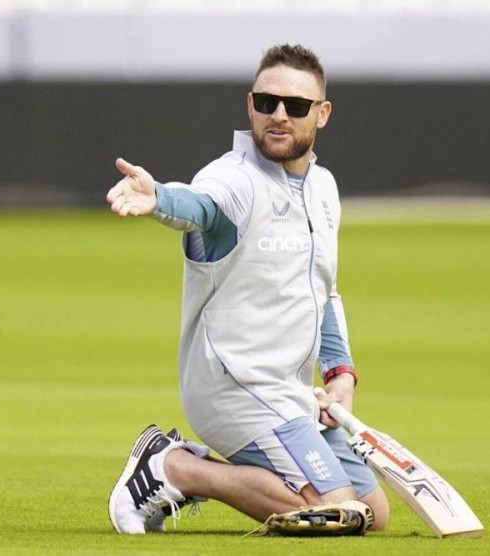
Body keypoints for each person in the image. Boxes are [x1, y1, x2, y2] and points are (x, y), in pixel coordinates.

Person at [105, 43, 389, 535]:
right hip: (232, 385)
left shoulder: (323, 189)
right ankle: (174, 468)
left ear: (321, 115)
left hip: (289, 392)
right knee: (340, 511)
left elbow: (324, 291)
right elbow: (199, 206)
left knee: (374, 514)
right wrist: (158, 199)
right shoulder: (232, 180)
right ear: (249, 105)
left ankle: (197, 469)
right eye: (266, 102)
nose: (278, 115)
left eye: (295, 106)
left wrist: (340, 373)